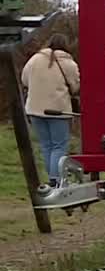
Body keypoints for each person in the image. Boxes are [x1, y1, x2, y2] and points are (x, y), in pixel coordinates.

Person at [20, 33, 79, 188]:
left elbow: (24, 80)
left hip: (34, 109)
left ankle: (52, 179)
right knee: (59, 146)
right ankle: (57, 180)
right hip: (58, 111)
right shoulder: (68, 63)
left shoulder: (35, 59)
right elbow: (75, 86)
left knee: (46, 146)